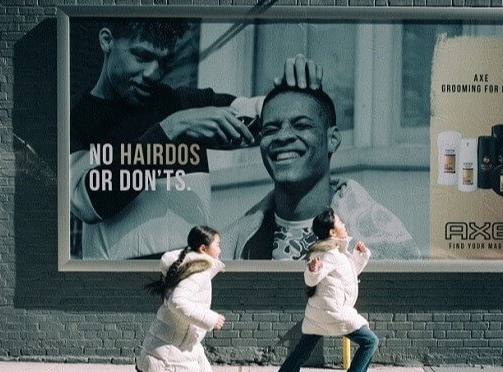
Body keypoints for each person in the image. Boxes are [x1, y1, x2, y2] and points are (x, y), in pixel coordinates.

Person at [69, 17, 323, 259]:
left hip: (191, 279)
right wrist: (170, 130)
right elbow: (88, 204)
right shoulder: (78, 118)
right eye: (142, 56)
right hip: (118, 287)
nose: (154, 74)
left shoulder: (184, 103)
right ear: (106, 41)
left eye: (163, 62)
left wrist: (296, 90)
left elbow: (268, 116)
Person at [59, 225, 244, 372]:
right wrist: (210, 318)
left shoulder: (191, 264)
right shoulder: (199, 272)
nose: (221, 249)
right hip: (172, 346)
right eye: (218, 245)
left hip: (180, 344)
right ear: (203, 248)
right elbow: (178, 301)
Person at [221, 84, 419, 261]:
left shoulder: (381, 236)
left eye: (301, 125)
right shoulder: (233, 246)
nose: (283, 136)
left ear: (332, 139)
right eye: (271, 129)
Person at [256, 207, 379, 372]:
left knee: (299, 355)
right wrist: (312, 270)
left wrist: (361, 256)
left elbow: (347, 277)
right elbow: (311, 279)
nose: (344, 223)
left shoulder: (338, 252)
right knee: (370, 340)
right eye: (340, 221)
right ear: (332, 231)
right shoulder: (326, 254)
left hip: (321, 314)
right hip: (332, 313)